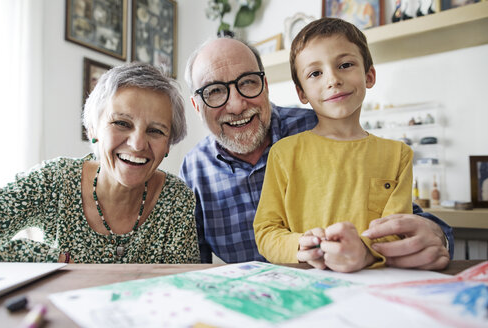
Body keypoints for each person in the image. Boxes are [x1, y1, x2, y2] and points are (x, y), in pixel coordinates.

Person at [181, 36, 452, 270]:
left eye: (248, 82)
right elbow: (193, 268)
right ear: (196, 105)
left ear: (265, 84)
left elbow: (398, 215)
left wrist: (437, 235)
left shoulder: (323, 125)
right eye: (214, 91)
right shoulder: (193, 171)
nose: (237, 104)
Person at [0, 62, 200, 264]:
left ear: (169, 144)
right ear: (92, 129)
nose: (137, 145)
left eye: (155, 131)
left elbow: (183, 286)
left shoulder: (177, 199)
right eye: (122, 123)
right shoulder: (54, 180)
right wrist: (51, 261)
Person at [253, 17, 412, 272]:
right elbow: (266, 232)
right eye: (315, 73)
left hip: (375, 285)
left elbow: (398, 231)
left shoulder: (399, 156)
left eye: (345, 65)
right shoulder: (283, 154)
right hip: (305, 286)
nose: (333, 79)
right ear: (301, 93)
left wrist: (364, 252)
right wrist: (301, 246)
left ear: (369, 75)